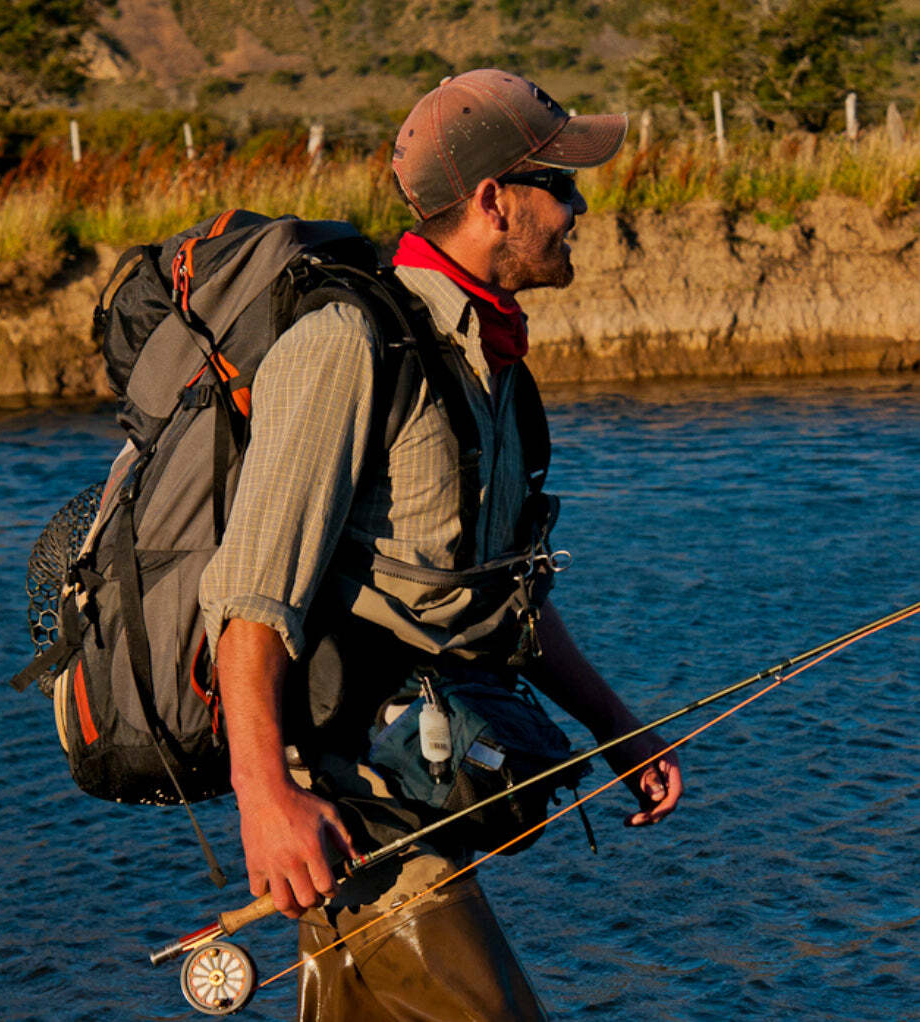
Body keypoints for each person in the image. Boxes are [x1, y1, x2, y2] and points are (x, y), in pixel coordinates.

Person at [199, 68, 683, 1021]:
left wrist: (614, 727)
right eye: (564, 185)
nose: (581, 208)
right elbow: (248, 598)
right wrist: (266, 800)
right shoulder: (347, 343)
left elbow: (508, 597)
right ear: (496, 201)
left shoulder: (496, 367)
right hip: (344, 802)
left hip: (426, 782)